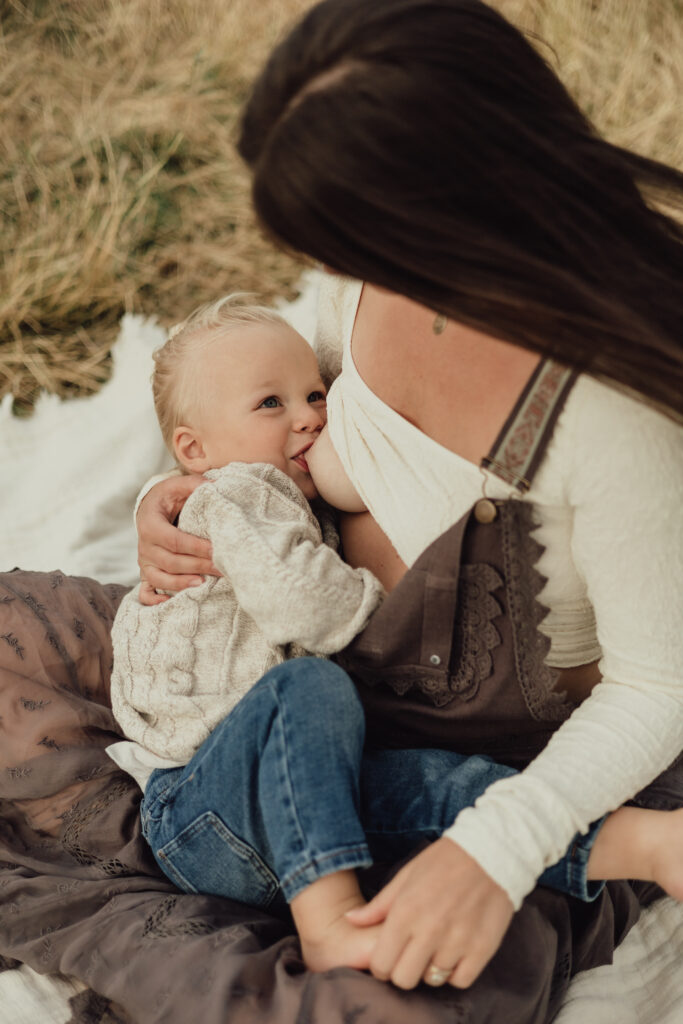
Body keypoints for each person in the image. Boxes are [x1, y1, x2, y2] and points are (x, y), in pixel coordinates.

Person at [135, 0, 683, 1002]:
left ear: (445, 209)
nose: (338, 268)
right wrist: (183, 496)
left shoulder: (603, 411)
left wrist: (497, 847)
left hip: (471, 740)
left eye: (354, 239)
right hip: (311, 676)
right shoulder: (369, 278)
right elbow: (269, 374)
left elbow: (657, 686)